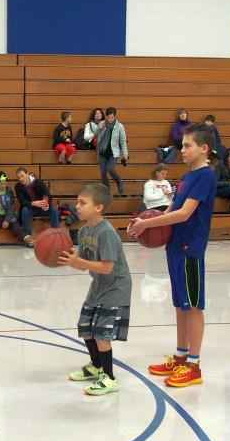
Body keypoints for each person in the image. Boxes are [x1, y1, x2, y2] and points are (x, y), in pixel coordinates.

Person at [128, 123, 217, 388]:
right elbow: (171, 208)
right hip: (175, 246)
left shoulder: (205, 176)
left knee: (194, 305)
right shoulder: (187, 177)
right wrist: (144, 218)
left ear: (204, 148)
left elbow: (184, 214)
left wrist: (148, 225)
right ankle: (180, 356)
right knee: (181, 304)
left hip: (191, 248)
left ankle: (194, 365)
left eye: (188, 145)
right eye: (182, 145)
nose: (182, 150)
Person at [59, 183, 132, 396]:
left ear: (98, 207)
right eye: (77, 202)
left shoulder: (106, 232)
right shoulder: (83, 231)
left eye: (83, 203)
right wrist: (69, 259)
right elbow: (83, 262)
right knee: (85, 325)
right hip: (98, 284)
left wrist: (79, 262)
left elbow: (107, 267)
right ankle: (96, 366)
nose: (77, 206)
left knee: (101, 333)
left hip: (115, 286)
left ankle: (109, 378)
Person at [15, 167, 60, 243]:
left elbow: (47, 194)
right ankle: (28, 237)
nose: (21, 179)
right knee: (25, 210)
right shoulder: (18, 187)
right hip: (31, 208)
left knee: (54, 210)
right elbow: (22, 202)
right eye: (19, 177)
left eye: (22, 176)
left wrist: (45, 203)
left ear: (27, 174)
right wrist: (34, 203)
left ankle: (56, 235)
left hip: (42, 207)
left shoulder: (38, 182)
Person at [96, 107, 128, 196]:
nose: (110, 119)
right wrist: (99, 128)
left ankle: (119, 181)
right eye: (108, 117)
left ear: (115, 116)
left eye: (112, 117)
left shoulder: (120, 126)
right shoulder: (102, 124)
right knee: (103, 173)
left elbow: (123, 141)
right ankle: (106, 191)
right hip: (103, 151)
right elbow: (96, 135)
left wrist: (125, 155)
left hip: (113, 153)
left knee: (110, 168)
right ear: (106, 116)